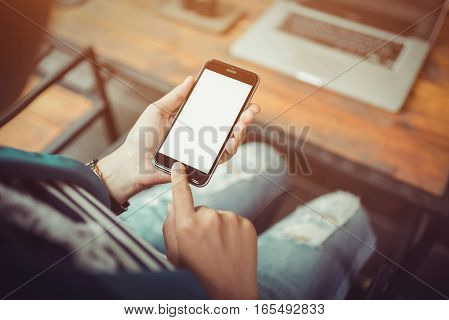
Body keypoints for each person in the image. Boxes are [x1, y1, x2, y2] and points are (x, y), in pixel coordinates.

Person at [0, 0, 375, 299]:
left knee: (265, 159)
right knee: (347, 211)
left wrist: (112, 176)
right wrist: (228, 295)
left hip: (89, 228)